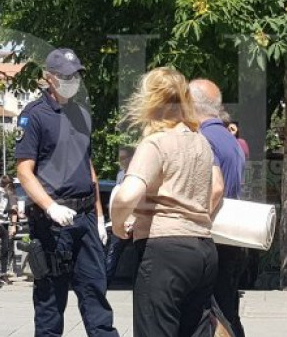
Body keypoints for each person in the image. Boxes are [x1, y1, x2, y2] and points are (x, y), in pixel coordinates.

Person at [112, 67, 224, 337]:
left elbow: (127, 194)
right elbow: (216, 186)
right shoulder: (202, 143)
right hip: (203, 249)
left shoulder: (155, 143)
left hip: (163, 252)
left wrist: (117, 223)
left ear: (150, 100)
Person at [15, 48, 118, 336]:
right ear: (49, 77)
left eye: (76, 75)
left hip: (84, 216)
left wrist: (99, 217)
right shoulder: (34, 115)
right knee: (50, 301)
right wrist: (50, 206)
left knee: (96, 294)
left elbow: (88, 167)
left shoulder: (82, 114)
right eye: (65, 76)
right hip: (52, 222)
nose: (72, 81)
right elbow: (24, 171)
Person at [191, 79, 248, 337]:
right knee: (227, 310)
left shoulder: (203, 139)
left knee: (215, 315)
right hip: (230, 238)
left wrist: (196, 220)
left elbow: (215, 189)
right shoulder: (230, 138)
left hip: (212, 237)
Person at [105, 146, 135, 285]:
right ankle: (106, 281)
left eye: (124, 158)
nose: (121, 161)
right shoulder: (121, 175)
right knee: (113, 251)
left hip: (135, 221)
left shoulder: (138, 175)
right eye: (120, 158)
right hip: (120, 220)